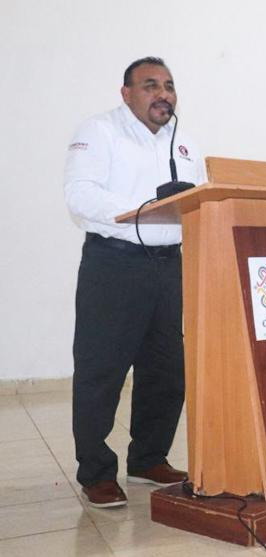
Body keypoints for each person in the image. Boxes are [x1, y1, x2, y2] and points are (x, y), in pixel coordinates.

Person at [64, 57, 201, 508]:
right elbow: (81, 195)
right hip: (115, 264)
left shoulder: (185, 142)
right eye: (150, 85)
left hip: (168, 266)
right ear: (126, 94)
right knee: (101, 371)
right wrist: (140, 212)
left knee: (166, 370)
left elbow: (200, 199)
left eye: (169, 86)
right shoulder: (99, 131)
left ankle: (148, 458)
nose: (163, 94)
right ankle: (96, 472)